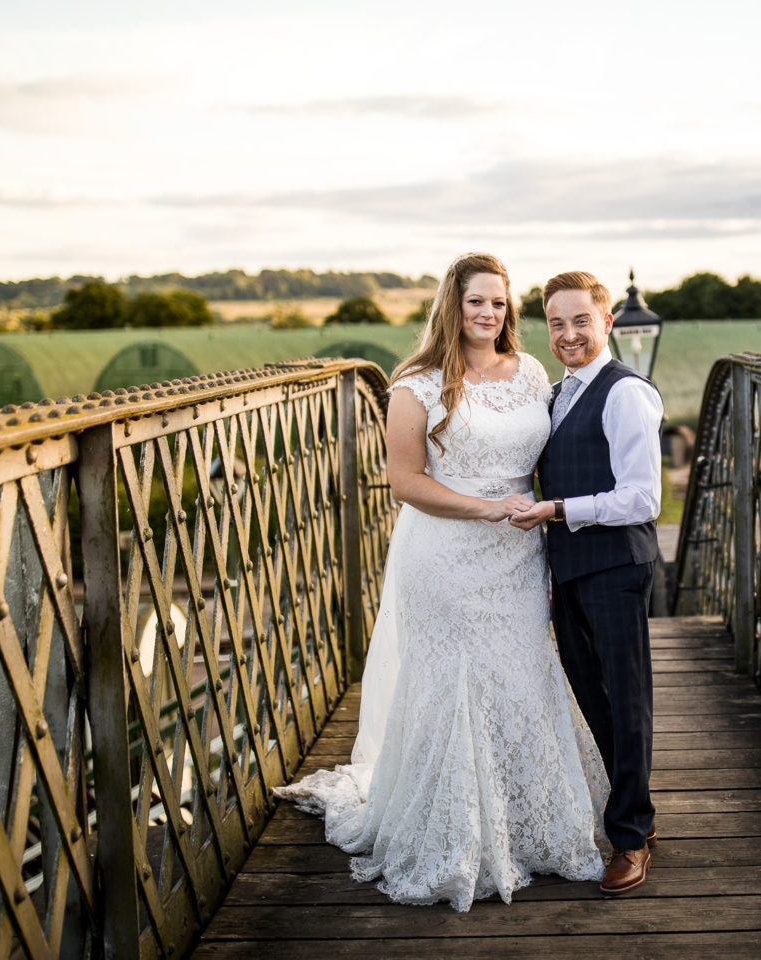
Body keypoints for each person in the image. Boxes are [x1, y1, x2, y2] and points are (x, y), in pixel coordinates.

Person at [274, 253, 607, 911]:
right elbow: (406, 482)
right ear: (451, 305)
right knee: (453, 683)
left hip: (517, 557)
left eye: (499, 303)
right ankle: (453, 837)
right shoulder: (416, 384)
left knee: (519, 674)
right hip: (446, 554)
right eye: (476, 301)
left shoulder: (533, 372)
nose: (488, 314)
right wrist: (488, 510)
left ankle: (527, 830)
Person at [509, 270, 663, 895]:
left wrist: (560, 509)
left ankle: (630, 835)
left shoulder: (626, 394)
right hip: (568, 565)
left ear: (605, 322)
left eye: (580, 320)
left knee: (626, 702)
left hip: (616, 565)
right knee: (591, 694)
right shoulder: (556, 393)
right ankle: (634, 808)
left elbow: (643, 497)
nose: (568, 334)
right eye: (556, 323)